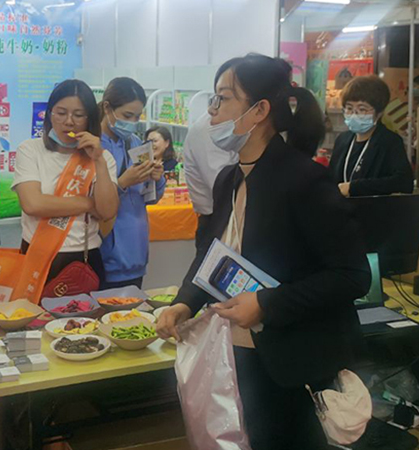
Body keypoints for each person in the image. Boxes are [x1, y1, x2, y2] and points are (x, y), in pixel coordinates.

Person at [156, 54, 371, 450]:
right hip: (236, 353)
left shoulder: (305, 180)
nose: (212, 110)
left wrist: (266, 304)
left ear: (259, 111)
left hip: (293, 359)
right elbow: (212, 256)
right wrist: (184, 303)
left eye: (223, 98)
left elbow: (352, 275)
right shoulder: (229, 179)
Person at [13, 79, 119, 289]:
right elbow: (33, 204)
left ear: (90, 119)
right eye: (61, 113)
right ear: (49, 114)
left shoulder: (103, 158)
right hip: (36, 255)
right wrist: (89, 203)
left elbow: (107, 211)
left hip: (84, 257)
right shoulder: (30, 150)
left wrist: (98, 160)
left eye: (78, 115)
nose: (69, 122)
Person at [99, 78, 165, 289]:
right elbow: (86, 201)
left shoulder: (135, 143)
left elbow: (149, 197)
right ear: (107, 107)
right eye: (127, 116)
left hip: (136, 249)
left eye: (137, 116)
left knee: (134, 307)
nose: (132, 122)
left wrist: (157, 179)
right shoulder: (92, 146)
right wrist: (121, 183)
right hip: (106, 252)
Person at [329, 75, 414, 197]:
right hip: (341, 207)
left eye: (362, 109)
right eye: (349, 108)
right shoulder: (342, 140)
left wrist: (354, 188)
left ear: (379, 113)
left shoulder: (390, 141)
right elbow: (331, 177)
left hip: (372, 207)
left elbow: (404, 182)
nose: (354, 115)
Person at [182, 111, 238, 215]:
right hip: (217, 213)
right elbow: (220, 185)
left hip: (228, 210)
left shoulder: (230, 123)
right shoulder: (211, 128)